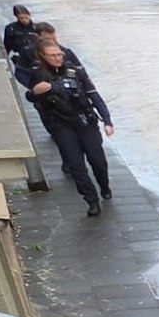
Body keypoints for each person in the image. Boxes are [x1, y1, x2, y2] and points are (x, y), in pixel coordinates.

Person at [26, 36, 113, 216]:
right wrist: (34, 93)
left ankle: (104, 186)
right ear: (42, 56)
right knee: (76, 165)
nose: (58, 58)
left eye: (59, 54)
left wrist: (107, 120)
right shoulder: (38, 74)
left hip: (85, 121)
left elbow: (94, 95)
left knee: (98, 161)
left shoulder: (76, 71)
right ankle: (91, 200)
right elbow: (32, 95)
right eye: (52, 55)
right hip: (61, 125)